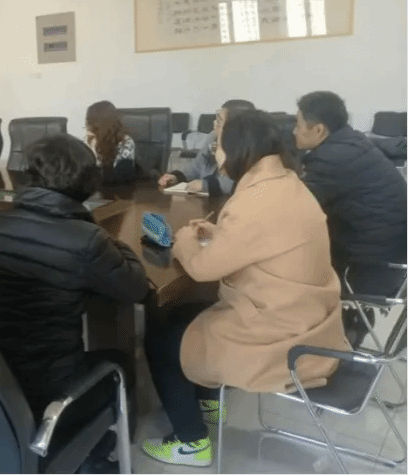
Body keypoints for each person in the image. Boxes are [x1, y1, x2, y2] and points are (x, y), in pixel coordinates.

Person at [142, 110, 347, 468]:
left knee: (161, 337)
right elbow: (263, 240)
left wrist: (185, 239)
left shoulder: (255, 198)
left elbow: (202, 269)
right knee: (187, 313)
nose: (216, 150)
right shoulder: (286, 182)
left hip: (279, 333)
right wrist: (221, 236)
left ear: (238, 147)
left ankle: (190, 442)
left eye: (219, 142)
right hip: (305, 316)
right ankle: (210, 402)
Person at [0, 134, 151, 472]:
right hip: (51, 389)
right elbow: (136, 289)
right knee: (118, 362)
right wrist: (113, 241)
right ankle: (98, 454)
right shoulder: (86, 239)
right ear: (87, 184)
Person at [293, 91, 408, 349]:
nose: (294, 131)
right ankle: (346, 327)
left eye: (298, 125)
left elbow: (295, 207)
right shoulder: (351, 142)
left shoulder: (331, 159)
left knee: (287, 263)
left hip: (368, 266)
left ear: (319, 129)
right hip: (390, 255)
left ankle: (323, 339)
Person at [158, 99, 255, 195]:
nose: (214, 123)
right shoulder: (213, 137)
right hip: (208, 199)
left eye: (219, 121)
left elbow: (240, 183)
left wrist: (205, 185)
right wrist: (177, 176)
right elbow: (198, 165)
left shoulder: (250, 149)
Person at [85, 101, 137, 184]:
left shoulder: (125, 143)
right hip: (94, 189)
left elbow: (121, 177)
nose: (88, 126)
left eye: (90, 122)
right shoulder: (90, 139)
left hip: (117, 190)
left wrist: (96, 150)